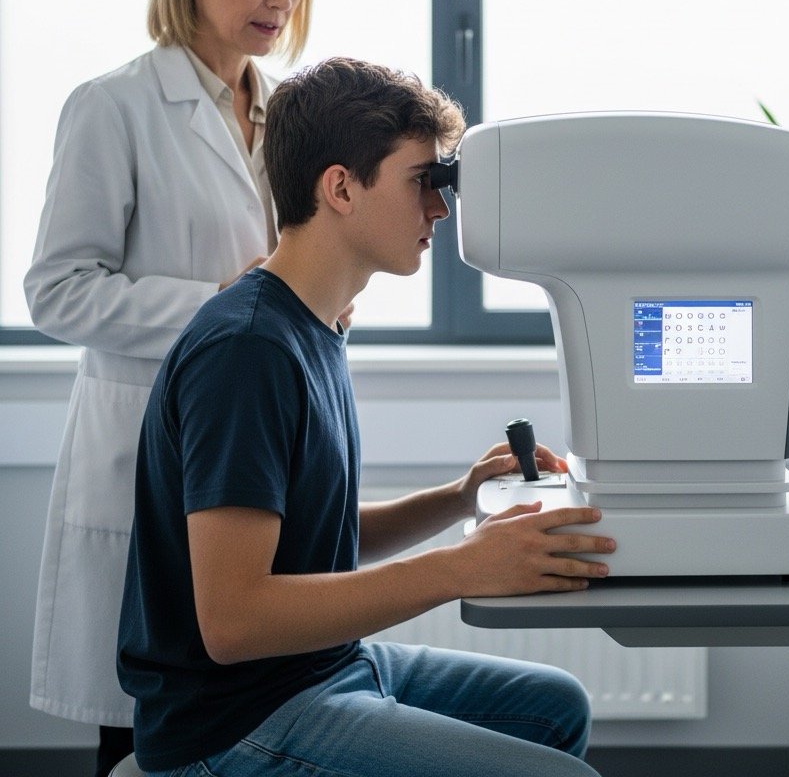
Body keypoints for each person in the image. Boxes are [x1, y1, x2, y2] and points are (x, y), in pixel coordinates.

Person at [117, 57, 616, 776]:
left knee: (555, 706)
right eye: (423, 182)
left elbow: (307, 538)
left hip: (312, 671)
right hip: (232, 720)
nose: (439, 210)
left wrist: (457, 500)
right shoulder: (247, 349)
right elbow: (233, 620)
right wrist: (460, 570)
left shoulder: (312, 326)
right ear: (341, 187)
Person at [25, 0, 326, 777]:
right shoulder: (113, 105)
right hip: (142, 446)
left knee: (249, 716)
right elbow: (59, 289)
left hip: (249, 441)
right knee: (145, 733)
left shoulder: (288, 114)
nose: (281, 0)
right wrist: (227, 305)